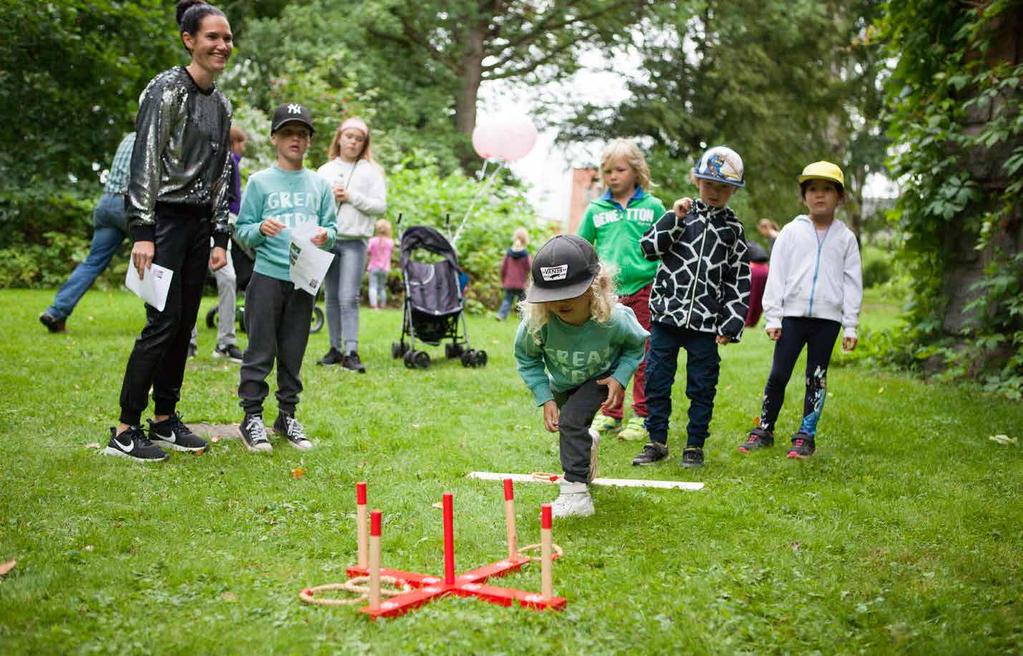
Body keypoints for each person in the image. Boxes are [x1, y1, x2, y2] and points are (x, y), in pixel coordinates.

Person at [104, 1, 234, 462]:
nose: (222, 45)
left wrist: (220, 236)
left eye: (227, 38)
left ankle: (164, 420)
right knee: (160, 323)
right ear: (189, 40)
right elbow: (145, 161)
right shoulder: (165, 90)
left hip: (199, 227)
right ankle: (124, 428)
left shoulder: (221, 104)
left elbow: (221, 176)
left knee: (183, 325)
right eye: (212, 37)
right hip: (162, 222)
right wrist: (142, 228)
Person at [632, 145, 750, 469]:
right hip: (666, 316)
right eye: (709, 184)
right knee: (656, 378)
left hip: (705, 323)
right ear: (696, 180)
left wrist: (731, 323)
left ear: (733, 191)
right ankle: (656, 440)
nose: (715, 192)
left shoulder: (733, 231)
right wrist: (674, 218)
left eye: (724, 188)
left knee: (702, 384)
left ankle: (695, 445)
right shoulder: (681, 215)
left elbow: (739, 279)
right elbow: (648, 249)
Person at [514, 235, 649, 518]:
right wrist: (545, 397)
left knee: (571, 420)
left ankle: (576, 493)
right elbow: (527, 358)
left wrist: (620, 377)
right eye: (552, 296)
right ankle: (587, 445)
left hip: (600, 377)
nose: (560, 302)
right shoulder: (538, 321)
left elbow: (636, 344)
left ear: (595, 287)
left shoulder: (614, 319)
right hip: (562, 382)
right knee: (572, 425)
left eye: (569, 294)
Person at [739, 161, 862, 459]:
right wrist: (773, 317)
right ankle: (764, 429)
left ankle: (806, 434)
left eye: (827, 190)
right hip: (791, 318)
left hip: (827, 320)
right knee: (779, 374)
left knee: (816, 377)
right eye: (813, 189)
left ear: (839, 197)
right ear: (804, 195)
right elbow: (777, 275)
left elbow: (852, 281)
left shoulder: (846, 239)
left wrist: (850, 325)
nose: (819, 195)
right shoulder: (791, 233)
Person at [233, 103, 337, 454]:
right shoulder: (260, 183)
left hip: (303, 278)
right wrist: (260, 228)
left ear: (309, 142)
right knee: (260, 349)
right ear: (275, 137)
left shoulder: (320, 185)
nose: (296, 139)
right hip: (267, 277)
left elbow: (333, 229)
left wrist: (326, 235)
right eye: (289, 133)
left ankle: (287, 415)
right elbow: (243, 231)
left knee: (293, 350)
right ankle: (251, 417)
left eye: (303, 134)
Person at [577, 139, 666, 442]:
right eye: (607, 170)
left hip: (645, 289)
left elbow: (668, 246)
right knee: (608, 355)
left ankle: (642, 415)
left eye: (619, 169)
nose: (612, 176)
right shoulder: (595, 209)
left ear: (636, 170)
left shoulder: (652, 207)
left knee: (642, 354)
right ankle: (610, 412)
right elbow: (582, 247)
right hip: (607, 294)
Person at [40, 132, 136, 333]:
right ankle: (164, 323)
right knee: (161, 259)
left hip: (106, 204)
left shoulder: (128, 138)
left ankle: (56, 312)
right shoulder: (152, 139)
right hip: (128, 206)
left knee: (92, 262)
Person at [316, 117, 388, 372]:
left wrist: (352, 197)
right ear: (339, 138)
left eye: (359, 139)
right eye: (349, 137)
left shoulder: (371, 171)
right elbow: (315, 205)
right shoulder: (324, 170)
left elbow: (380, 205)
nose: (353, 142)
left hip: (355, 242)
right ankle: (334, 348)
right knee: (332, 297)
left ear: (364, 143)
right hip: (329, 240)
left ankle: (351, 350)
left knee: (349, 296)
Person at [189, 125, 247, 361]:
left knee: (229, 278)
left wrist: (228, 227)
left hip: (221, 228)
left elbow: (233, 200)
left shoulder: (230, 162)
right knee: (191, 281)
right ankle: (188, 341)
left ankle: (226, 342)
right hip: (195, 225)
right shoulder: (194, 155)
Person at [496, 227, 531, 321]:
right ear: (525, 239)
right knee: (522, 302)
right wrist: (528, 279)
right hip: (521, 284)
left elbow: (503, 268)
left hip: (509, 282)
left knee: (507, 300)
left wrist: (503, 280)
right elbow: (529, 267)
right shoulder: (525, 254)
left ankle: (501, 315)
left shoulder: (509, 253)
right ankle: (524, 318)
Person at [366, 218, 394, 309]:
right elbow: (391, 253)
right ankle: (383, 304)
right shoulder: (390, 242)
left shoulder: (372, 240)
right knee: (382, 287)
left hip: (373, 267)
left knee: (373, 286)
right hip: (385, 268)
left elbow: (368, 251)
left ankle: (374, 306)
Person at [745, 241, 770, 327]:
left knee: (750, 297)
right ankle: (753, 321)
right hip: (765, 270)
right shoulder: (755, 244)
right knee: (760, 297)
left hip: (754, 271)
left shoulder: (744, 245)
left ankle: (747, 321)